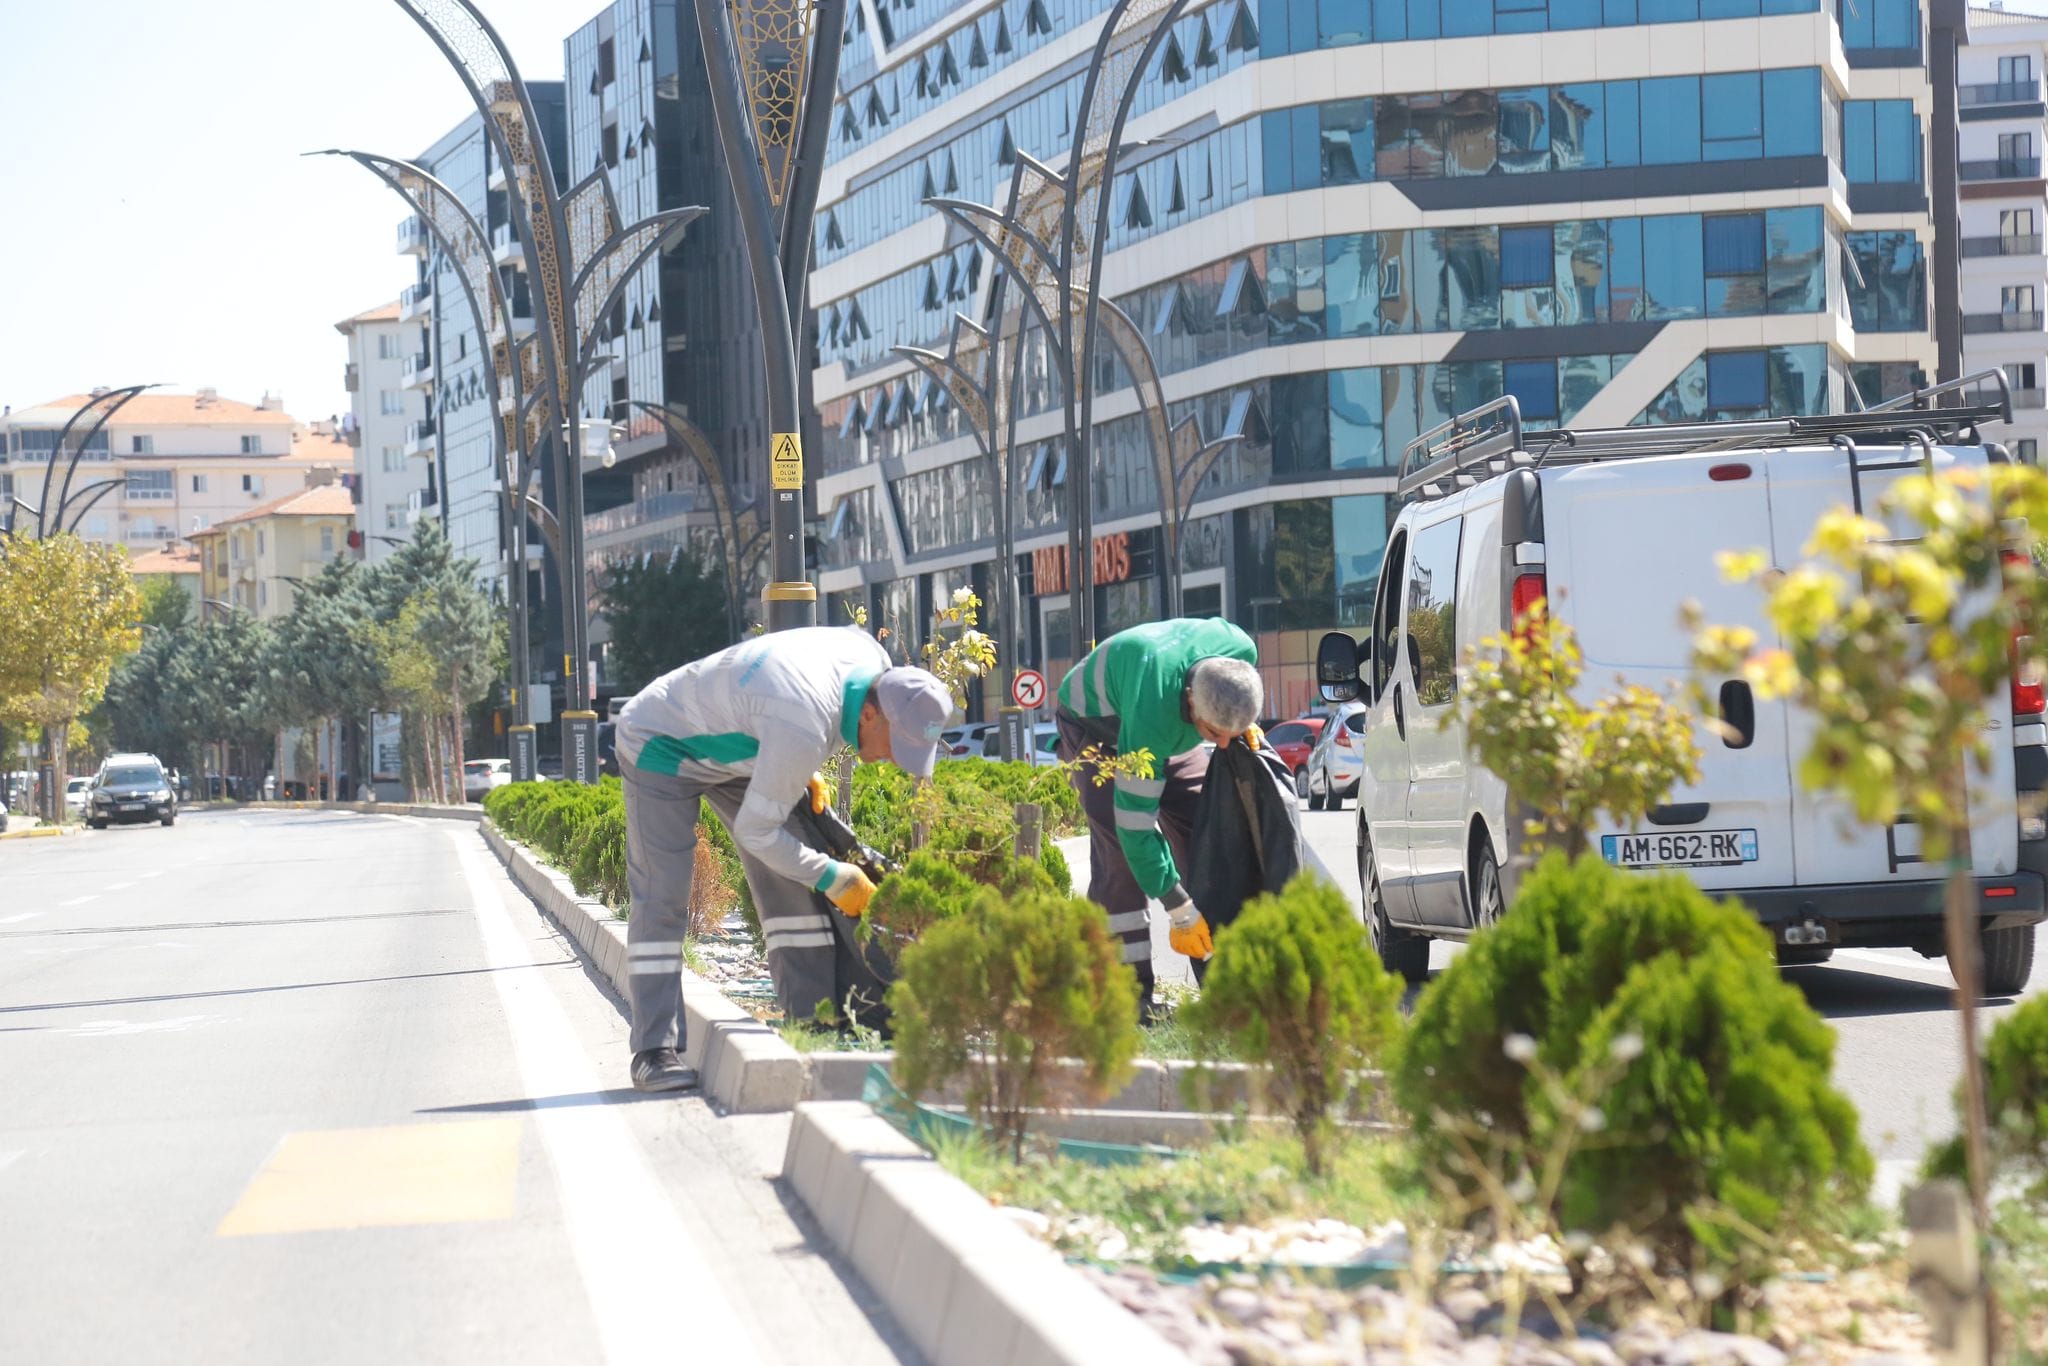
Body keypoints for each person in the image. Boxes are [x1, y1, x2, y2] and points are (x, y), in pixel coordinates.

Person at [613, 627, 955, 1093]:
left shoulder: (871, 658)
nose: (894, 760)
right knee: (663, 894)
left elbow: (784, 704)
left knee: (790, 875)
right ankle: (654, 1050)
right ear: (871, 713)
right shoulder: (802, 725)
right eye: (898, 746)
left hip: (745, 746)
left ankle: (815, 1022)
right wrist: (834, 876)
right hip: (662, 743)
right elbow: (757, 831)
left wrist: (797, 768)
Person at [1053, 617, 1263, 1010]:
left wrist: (1241, 727)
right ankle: (1127, 999)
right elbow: (1135, 827)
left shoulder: (1240, 650)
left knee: (1206, 829)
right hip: (1096, 727)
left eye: (1227, 734)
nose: (1221, 744)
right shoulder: (1153, 716)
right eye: (1214, 731)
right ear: (1189, 702)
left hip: (1156, 715)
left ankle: (1225, 991)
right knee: (1120, 859)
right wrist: (1179, 908)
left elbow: (1221, 717)